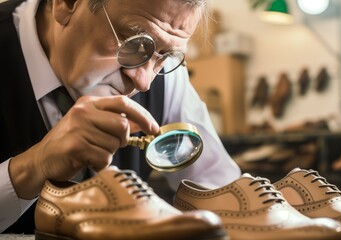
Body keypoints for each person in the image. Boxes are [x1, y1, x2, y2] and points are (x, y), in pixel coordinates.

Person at [0, 0, 240, 233]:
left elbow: (219, 187)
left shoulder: (166, 72)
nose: (144, 83)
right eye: (134, 42)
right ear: (66, 4)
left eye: (165, 55)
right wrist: (34, 166)